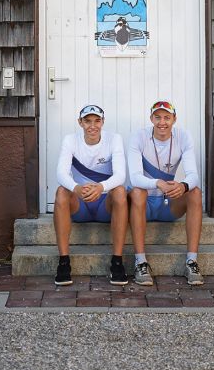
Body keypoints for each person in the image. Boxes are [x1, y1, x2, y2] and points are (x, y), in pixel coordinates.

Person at [127, 100, 204, 286]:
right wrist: (157, 182)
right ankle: (140, 262)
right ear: (151, 118)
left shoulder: (183, 136)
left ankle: (192, 261)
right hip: (142, 204)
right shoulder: (139, 136)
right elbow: (135, 177)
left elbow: (194, 175)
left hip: (167, 204)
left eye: (167, 117)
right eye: (158, 117)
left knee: (195, 192)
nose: (162, 122)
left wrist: (183, 186)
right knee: (137, 192)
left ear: (174, 119)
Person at [53, 104, 129, 286]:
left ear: (103, 122)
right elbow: (61, 173)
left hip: (104, 205)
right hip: (81, 204)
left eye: (97, 121)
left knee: (119, 191)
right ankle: (64, 263)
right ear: (80, 123)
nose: (92, 126)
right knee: (62, 191)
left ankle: (117, 262)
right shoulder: (70, 140)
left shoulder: (114, 139)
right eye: (87, 121)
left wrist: (100, 187)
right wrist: (77, 188)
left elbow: (120, 175)